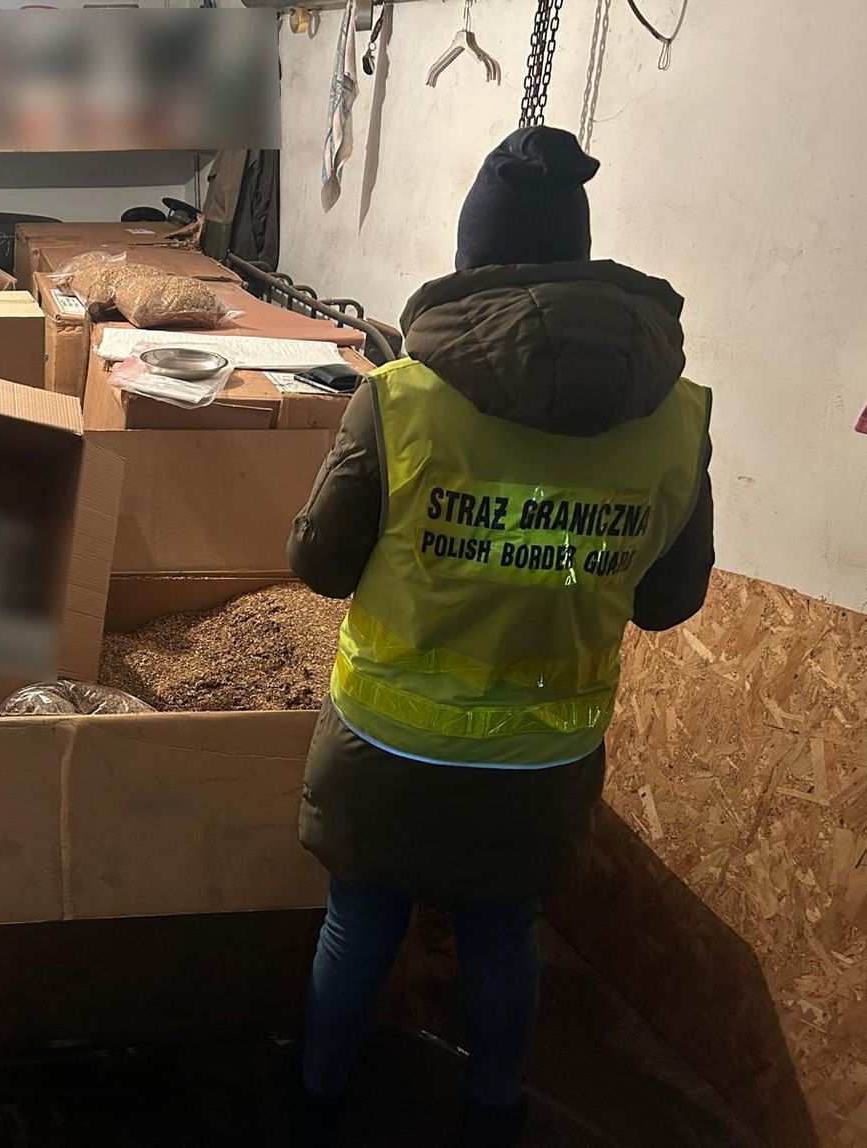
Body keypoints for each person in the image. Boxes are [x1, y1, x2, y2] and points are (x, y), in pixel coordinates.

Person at [288, 127, 714, 1146]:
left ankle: (313, 1099)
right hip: (541, 757)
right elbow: (668, 602)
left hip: (389, 745)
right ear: (580, 254)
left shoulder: (401, 400)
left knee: (360, 925)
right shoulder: (677, 419)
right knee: (501, 934)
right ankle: (494, 1110)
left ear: (473, 259)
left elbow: (320, 564)